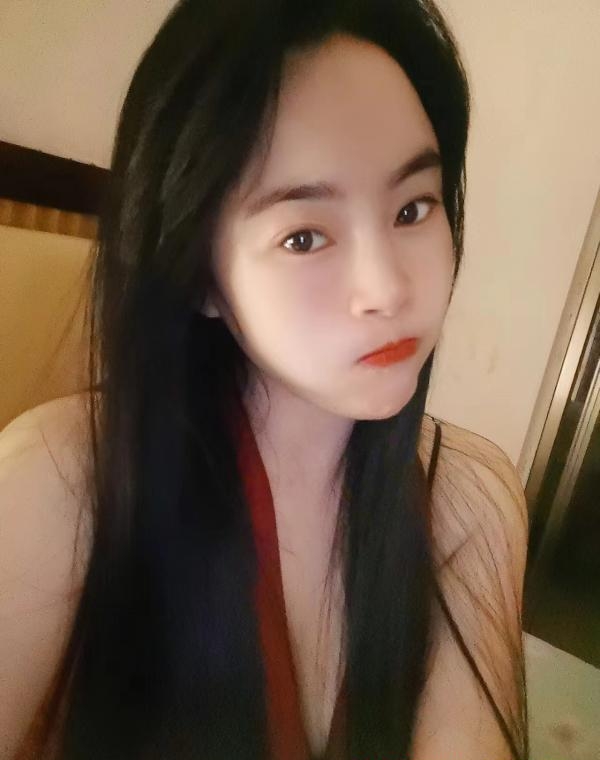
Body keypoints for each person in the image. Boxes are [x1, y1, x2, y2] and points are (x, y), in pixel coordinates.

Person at [0, 1, 530, 758]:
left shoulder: (470, 498)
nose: (387, 287)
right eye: (304, 236)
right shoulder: (61, 481)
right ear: (200, 275)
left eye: (413, 208)